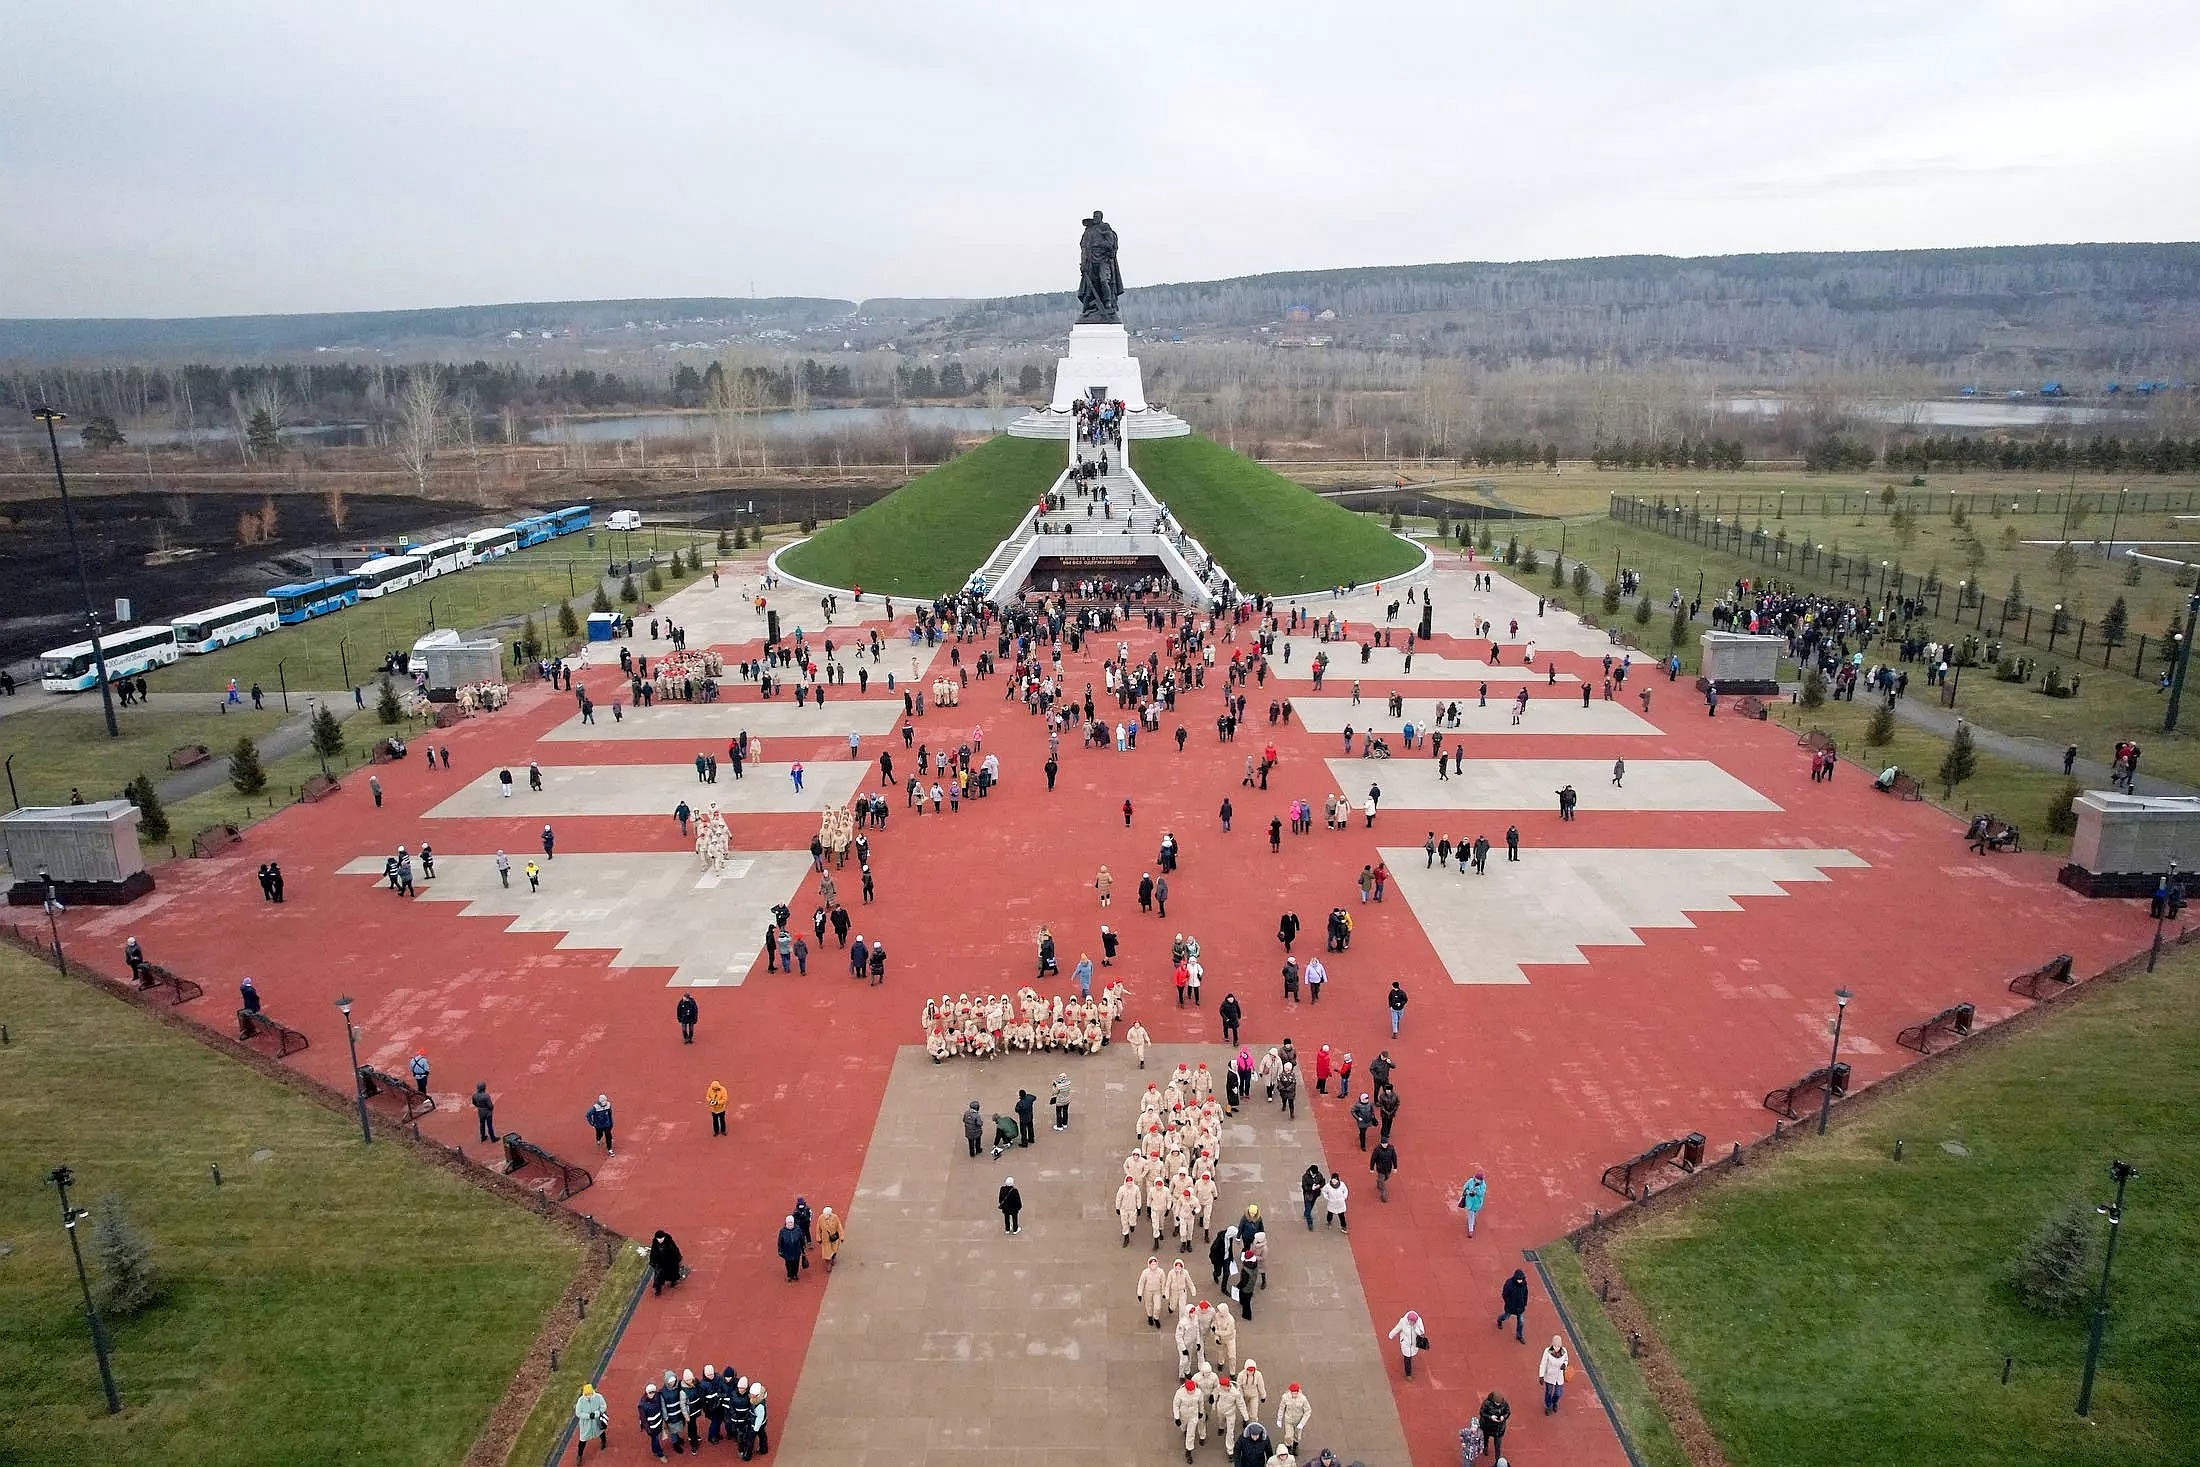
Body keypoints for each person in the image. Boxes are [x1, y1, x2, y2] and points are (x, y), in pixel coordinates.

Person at [574, 1381, 610, 1461]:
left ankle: (603, 1441)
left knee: (601, 1431)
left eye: (590, 1394)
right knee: (583, 1439)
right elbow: (578, 1413)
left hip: (596, 1421)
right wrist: (589, 1416)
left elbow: (603, 1406)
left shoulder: (599, 1397)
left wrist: (597, 1413)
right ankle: (579, 1455)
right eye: (586, 1394)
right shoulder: (580, 1401)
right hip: (586, 1424)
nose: (588, 1396)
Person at [1387, 1309, 1427, 1378]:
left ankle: (1408, 1371)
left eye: (1413, 1322)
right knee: (1407, 1358)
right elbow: (1397, 1328)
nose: (1412, 1323)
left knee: (1411, 1355)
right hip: (1405, 1342)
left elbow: (1422, 1333)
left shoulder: (1419, 1322)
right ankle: (1408, 1374)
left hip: (1414, 1343)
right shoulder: (1403, 1321)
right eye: (1411, 1321)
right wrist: (1391, 1335)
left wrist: (1416, 1329)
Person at [1538, 1334, 1570, 1414]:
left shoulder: (1564, 1351)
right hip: (1549, 1376)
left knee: (1558, 1393)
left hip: (1559, 1376)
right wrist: (1541, 1376)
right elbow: (1543, 1363)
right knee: (1549, 1392)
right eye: (1555, 1346)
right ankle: (1548, 1406)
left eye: (1558, 1346)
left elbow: (1566, 1360)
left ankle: (1554, 1402)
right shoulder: (1547, 1351)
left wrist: (1564, 1364)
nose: (1556, 1348)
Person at [648, 1228, 684, 1294]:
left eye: (661, 1238)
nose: (659, 1240)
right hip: (660, 1262)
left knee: (672, 1273)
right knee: (658, 1275)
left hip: (670, 1261)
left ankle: (673, 1281)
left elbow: (675, 1250)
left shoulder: (669, 1242)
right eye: (658, 1238)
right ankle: (658, 1289)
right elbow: (653, 1252)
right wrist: (652, 1261)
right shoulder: (655, 1243)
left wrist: (678, 1258)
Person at [1498, 1268, 1530, 1342]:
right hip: (1511, 1307)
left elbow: (1525, 1293)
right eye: (1519, 1279)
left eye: (1521, 1279)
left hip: (1520, 1307)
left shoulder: (1524, 1284)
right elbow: (1504, 1295)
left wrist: (1524, 1303)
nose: (1520, 1280)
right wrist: (1508, 1303)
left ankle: (1519, 1335)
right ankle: (1499, 1320)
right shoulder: (1509, 1284)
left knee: (1521, 1322)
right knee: (1505, 1317)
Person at [1477, 1391, 1511, 1462]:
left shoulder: (1504, 1403)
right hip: (1487, 1425)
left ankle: (1498, 1461)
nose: (1498, 1404)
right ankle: (1485, 1448)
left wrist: (1503, 1417)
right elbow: (1482, 1412)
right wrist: (1490, 1417)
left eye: (1500, 1403)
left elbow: (1508, 1412)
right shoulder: (1487, 1403)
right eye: (1497, 1403)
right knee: (1485, 1438)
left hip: (1499, 1428)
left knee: (1498, 1445)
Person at [776, 1214, 805, 1280]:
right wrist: (780, 1250)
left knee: (796, 1263)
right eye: (789, 1222)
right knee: (788, 1264)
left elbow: (801, 1238)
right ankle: (789, 1275)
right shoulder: (782, 1231)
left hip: (796, 1250)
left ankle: (795, 1274)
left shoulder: (798, 1229)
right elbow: (780, 1242)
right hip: (787, 1251)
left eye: (791, 1222)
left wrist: (803, 1246)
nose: (790, 1224)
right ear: (786, 1222)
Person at [1370, 1136, 1399, 1201]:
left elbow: (1394, 1158)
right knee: (1383, 1184)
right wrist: (1371, 1168)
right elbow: (1373, 1159)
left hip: (1388, 1168)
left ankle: (1378, 1181)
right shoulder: (1377, 1150)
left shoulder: (1391, 1149)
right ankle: (1383, 1197)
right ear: (1381, 1144)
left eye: (1386, 1143)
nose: (1385, 1145)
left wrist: (1395, 1167)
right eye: (1383, 1144)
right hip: (1380, 1169)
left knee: (1386, 1177)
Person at [1460, 1169, 1487, 1236]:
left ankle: (1472, 1222)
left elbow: (1482, 1194)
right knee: (1471, 1214)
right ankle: (1470, 1230)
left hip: (1477, 1203)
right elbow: (1465, 1188)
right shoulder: (1470, 1181)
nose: (1476, 1179)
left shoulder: (1483, 1185)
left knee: (1474, 1213)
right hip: (1470, 1201)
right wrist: (1469, 1193)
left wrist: (1476, 1191)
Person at [818, 1204, 844, 1269]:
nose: (825, 1216)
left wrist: (841, 1236)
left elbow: (839, 1227)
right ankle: (828, 1264)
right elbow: (818, 1229)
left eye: (826, 1214)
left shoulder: (835, 1217)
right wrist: (818, 1237)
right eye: (824, 1214)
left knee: (834, 1250)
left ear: (830, 1214)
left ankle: (833, 1257)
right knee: (827, 1252)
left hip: (834, 1238)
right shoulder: (821, 1218)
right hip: (825, 1239)